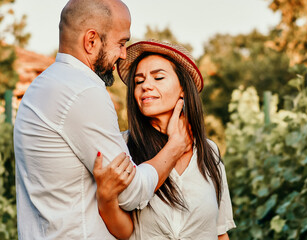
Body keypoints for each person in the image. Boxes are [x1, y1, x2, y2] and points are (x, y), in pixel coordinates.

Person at [13, 0, 191, 239]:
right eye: (120, 43)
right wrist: (174, 147)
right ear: (91, 41)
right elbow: (131, 192)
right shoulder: (83, 91)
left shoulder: (41, 87)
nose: (123, 54)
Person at [94, 40, 236, 239]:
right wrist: (106, 199)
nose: (146, 86)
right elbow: (125, 232)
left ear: (183, 88)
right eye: (139, 81)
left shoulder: (208, 151)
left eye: (158, 77)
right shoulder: (122, 146)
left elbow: (220, 233)